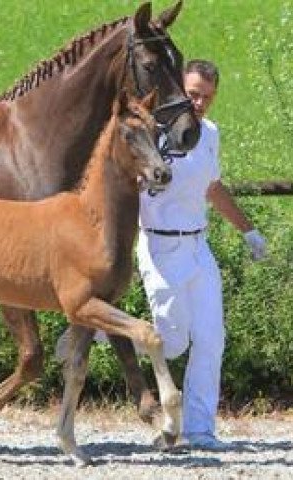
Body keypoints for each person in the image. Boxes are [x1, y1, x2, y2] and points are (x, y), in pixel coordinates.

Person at [136, 59, 267, 450]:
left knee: (211, 338)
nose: (198, 103)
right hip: (158, 245)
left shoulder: (209, 133)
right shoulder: (153, 132)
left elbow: (212, 187)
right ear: (180, 88)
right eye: (193, 93)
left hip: (198, 246)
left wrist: (249, 230)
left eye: (206, 97)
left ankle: (200, 429)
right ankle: (110, 333)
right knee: (173, 343)